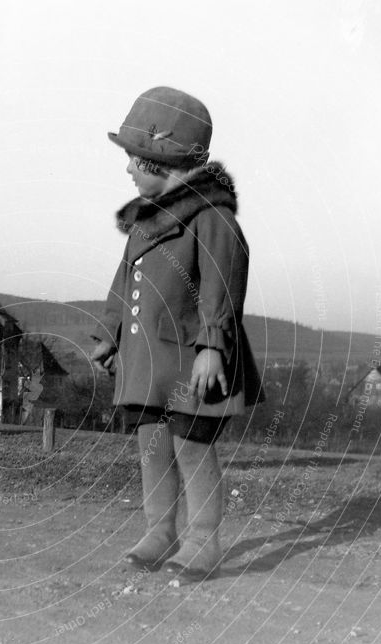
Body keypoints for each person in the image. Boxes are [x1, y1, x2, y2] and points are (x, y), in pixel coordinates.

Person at [91, 86, 263, 580]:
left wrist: (213, 349)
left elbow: (222, 290)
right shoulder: (146, 222)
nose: (128, 169)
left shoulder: (213, 221)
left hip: (193, 359)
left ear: (161, 158)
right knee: (152, 443)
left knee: (192, 444)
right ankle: (159, 531)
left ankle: (203, 541)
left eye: (133, 158)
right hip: (148, 360)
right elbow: (122, 283)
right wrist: (109, 332)